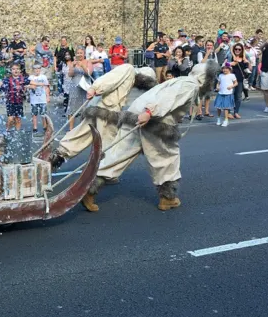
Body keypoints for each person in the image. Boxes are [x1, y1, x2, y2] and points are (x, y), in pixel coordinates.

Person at [81, 60, 219, 212]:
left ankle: (88, 190)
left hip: (134, 115)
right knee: (167, 158)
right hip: (155, 122)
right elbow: (167, 98)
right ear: (206, 79)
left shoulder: (181, 80)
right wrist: (149, 112)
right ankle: (167, 198)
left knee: (118, 154)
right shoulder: (190, 85)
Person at [50, 64, 157, 211]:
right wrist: (95, 88)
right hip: (106, 111)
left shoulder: (131, 78)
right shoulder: (128, 70)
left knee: (81, 137)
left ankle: (53, 162)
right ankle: (95, 181)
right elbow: (110, 78)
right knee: (106, 147)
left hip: (102, 110)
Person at [65, 48, 91, 130]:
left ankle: (82, 128)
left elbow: (89, 73)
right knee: (72, 107)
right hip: (74, 86)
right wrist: (72, 66)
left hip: (84, 86)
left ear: (84, 54)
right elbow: (70, 74)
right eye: (78, 53)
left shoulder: (88, 62)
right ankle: (71, 129)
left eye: (81, 53)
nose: (79, 54)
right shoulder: (73, 63)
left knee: (84, 107)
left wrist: (82, 65)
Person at [1, 63, 30, 131]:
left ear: (20, 70)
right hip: (10, 101)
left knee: (18, 118)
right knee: (10, 118)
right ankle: (7, 130)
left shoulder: (23, 79)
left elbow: (32, 83)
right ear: (11, 71)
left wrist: (42, 84)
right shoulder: (8, 79)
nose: (15, 70)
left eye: (17, 69)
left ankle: (18, 133)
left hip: (19, 102)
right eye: (13, 69)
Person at [27, 64, 50, 134]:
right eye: (35, 69)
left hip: (42, 98)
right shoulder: (31, 77)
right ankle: (35, 127)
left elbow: (46, 87)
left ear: (40, 69)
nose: (37, 70)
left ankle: (45, 126)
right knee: (34, 114)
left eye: (38, 69)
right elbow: (30, 84)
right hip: (34, 99)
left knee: (43, 114)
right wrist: (39, 84)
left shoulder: (43, 77)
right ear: (33, 70)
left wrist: (48, 96)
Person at [198, 40, 217, 119]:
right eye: (208, 45)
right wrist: (207, 54)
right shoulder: (200, 53)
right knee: (201, 95)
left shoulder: (214, 54)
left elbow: (216, 64)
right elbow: (201, 62)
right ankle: (199, 112)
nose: (209, 47)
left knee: (208, 95)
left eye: (211, 45)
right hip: (202, 76)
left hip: (210, 76)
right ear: (205, 46)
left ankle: (206, 111)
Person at [214, 62, 237, 127]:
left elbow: (236, 83)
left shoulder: (232, 75)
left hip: (228, 93)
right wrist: (217, 87)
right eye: (223, 69)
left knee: (226, 107)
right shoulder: (220, 75)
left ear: (229, 69)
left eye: (226, 69)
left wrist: (231, 86)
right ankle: (218, 118)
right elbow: (218, 83)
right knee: (218, 106)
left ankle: (226, 120)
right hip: (220, 92)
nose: (225, 70)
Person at [230, 43, 249, 119]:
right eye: (236, 49)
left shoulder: (243, 58)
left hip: (240, 79)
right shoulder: (230, 56)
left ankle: (236, 112)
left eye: (239, 49)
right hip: (231, 79)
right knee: (230, 95)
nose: (237, 50)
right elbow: (225, 65)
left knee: (238, 97)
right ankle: (227, 112)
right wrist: (231, 63)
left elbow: (249, 68)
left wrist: (246, 61)